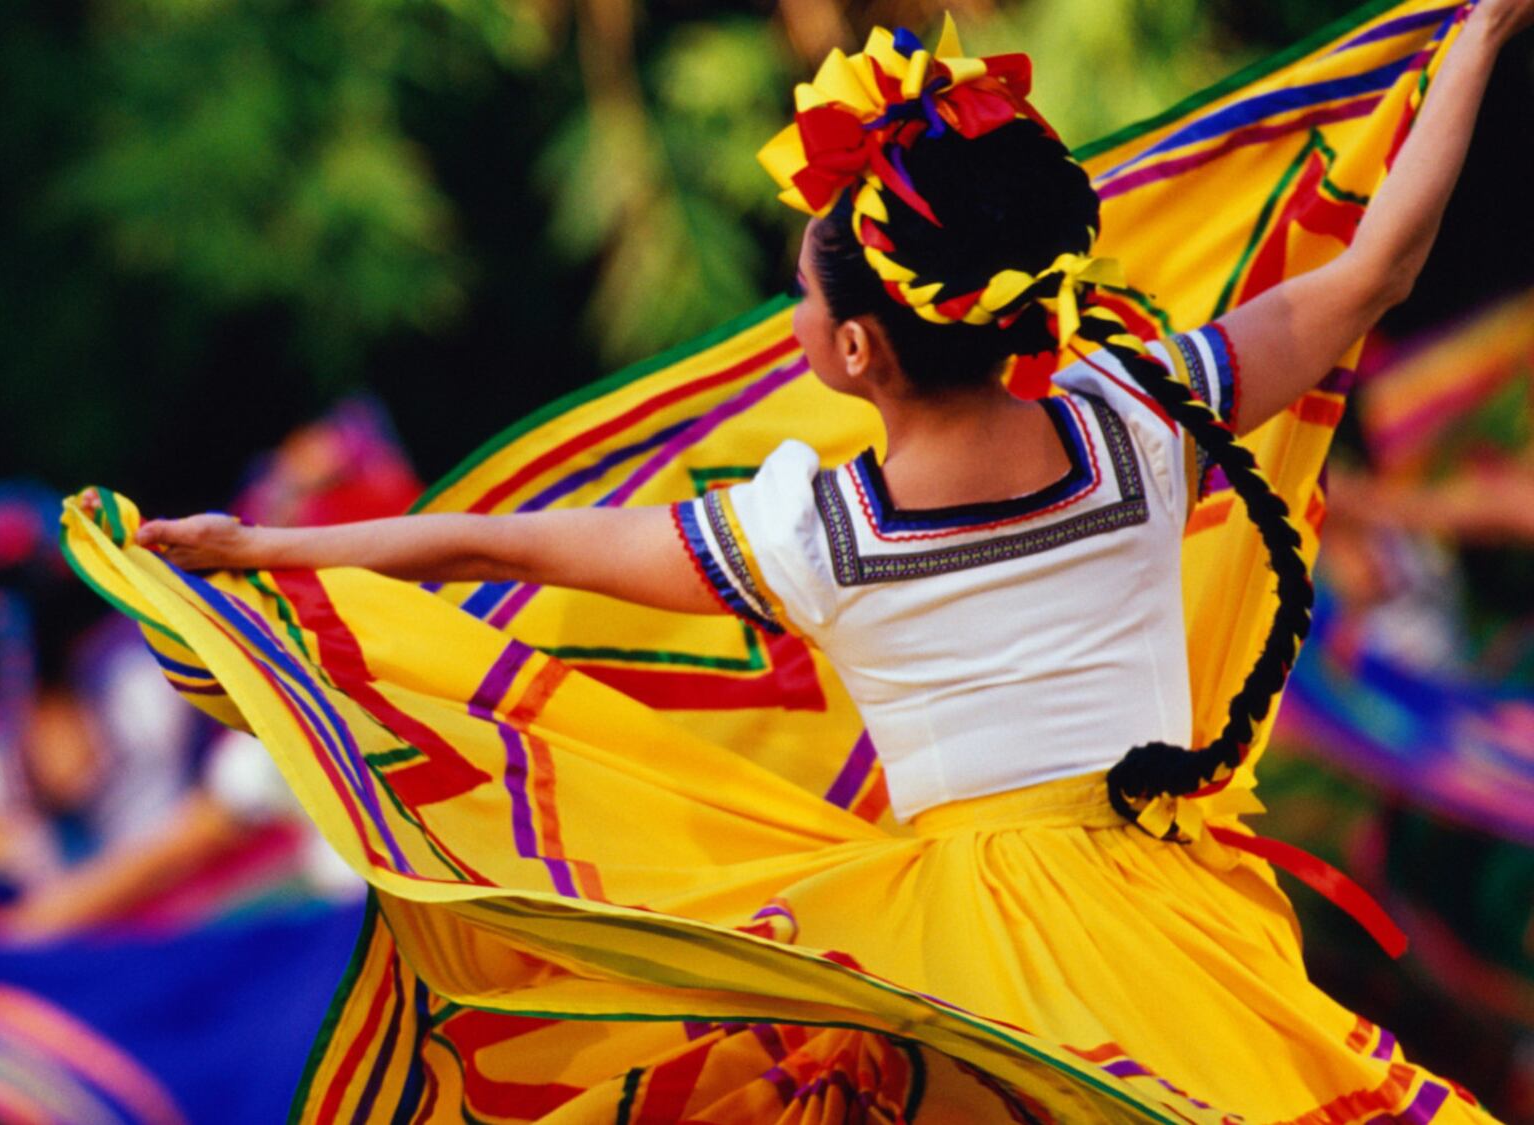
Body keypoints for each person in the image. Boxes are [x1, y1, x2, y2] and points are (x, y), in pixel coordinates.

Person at [76, 2, 1528, 1117]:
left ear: (855, 349)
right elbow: (1376, 266)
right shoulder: (1148, 412)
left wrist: (270, 550)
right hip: (1172, 916)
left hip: (945, 954)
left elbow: (494, 539)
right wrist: (1473, 38)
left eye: (801, 290)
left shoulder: (820, 534)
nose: (790, 310)